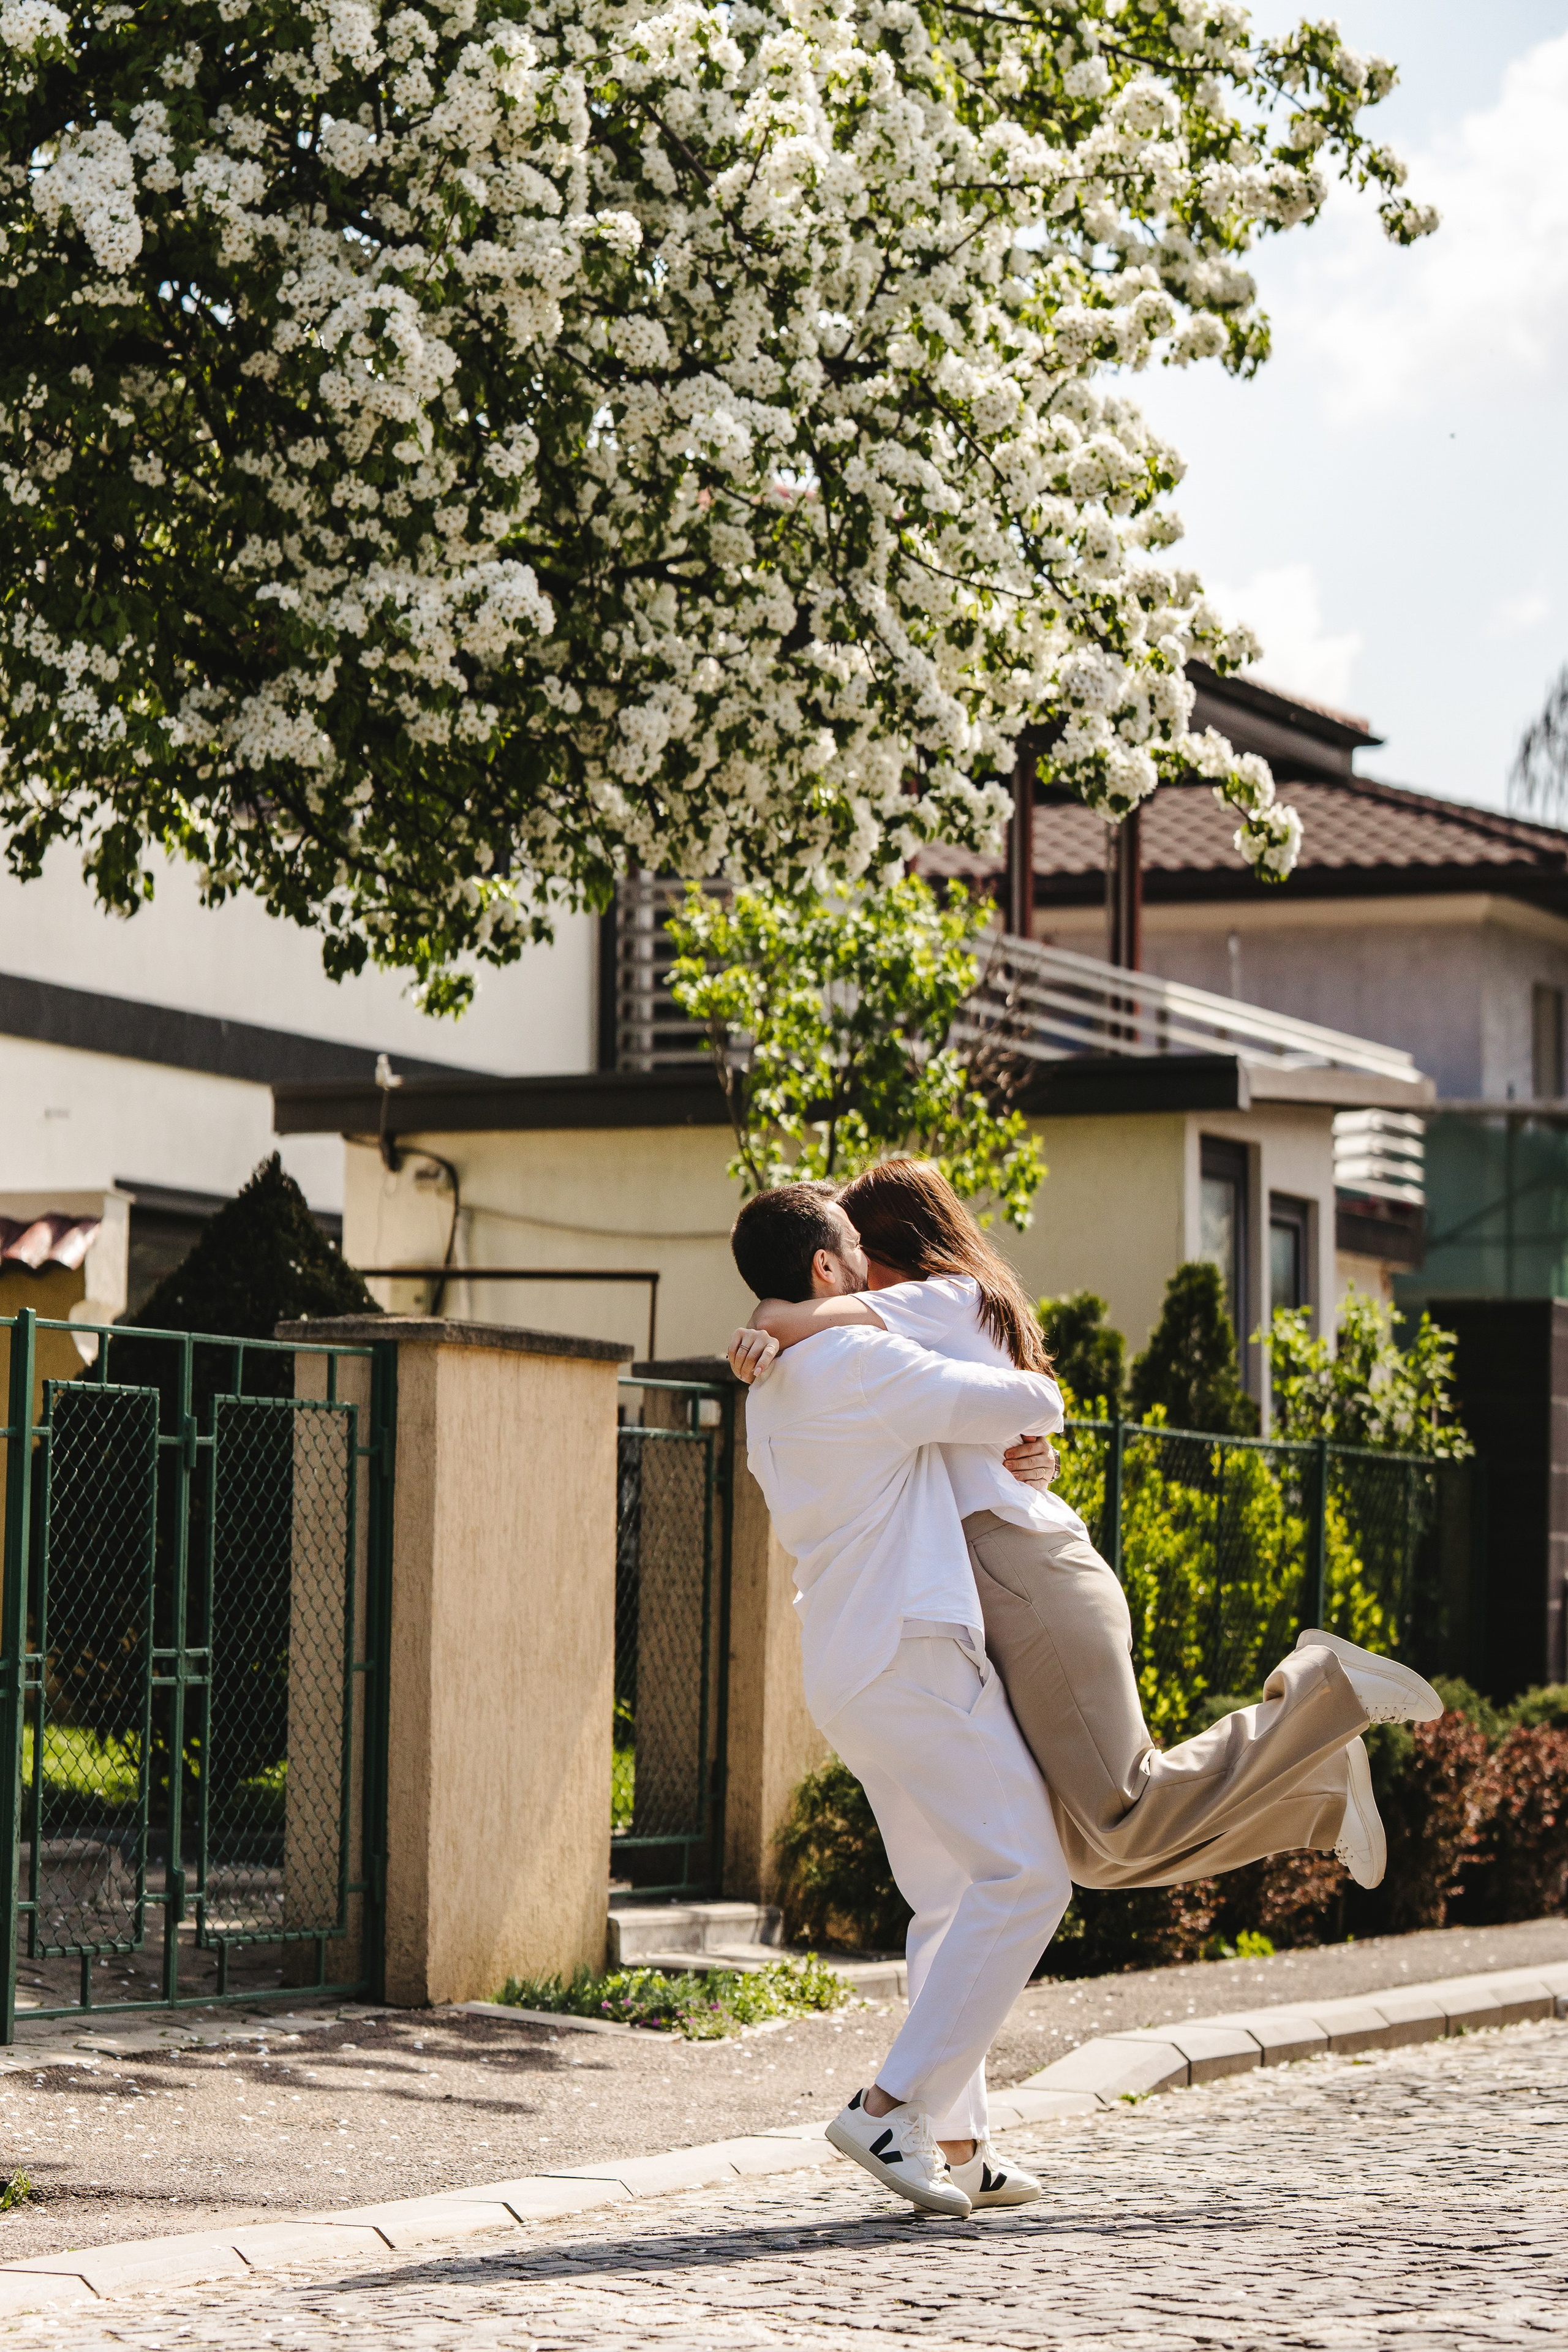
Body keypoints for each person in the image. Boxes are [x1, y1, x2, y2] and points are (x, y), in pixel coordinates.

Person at [729, 1159, 1444, 1904]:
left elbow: (804, 1321)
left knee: (1121, 1815)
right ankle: (1323, 1796)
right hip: (1015, 1568)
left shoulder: (935, 1299)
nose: (854, 1271)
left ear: (889, 1244)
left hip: (1022, 1572)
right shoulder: (938, 1315)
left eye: (858, 1248)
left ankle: (1326, 1690)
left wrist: (762, 1325)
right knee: (1094, 1854)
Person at [730, 1180, 1071, 2220]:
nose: (879, 1277)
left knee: (951, 1901)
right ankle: (888, 2105)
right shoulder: (864, 1362)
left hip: (846, 1664)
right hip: (915, 1653)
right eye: (858, 1258)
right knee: (1030, 1873)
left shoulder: (772, 1388)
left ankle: (959, 2141)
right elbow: (1033, 1401)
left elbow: (930, 1437)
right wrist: (1026, 1433)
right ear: (829, 1270)